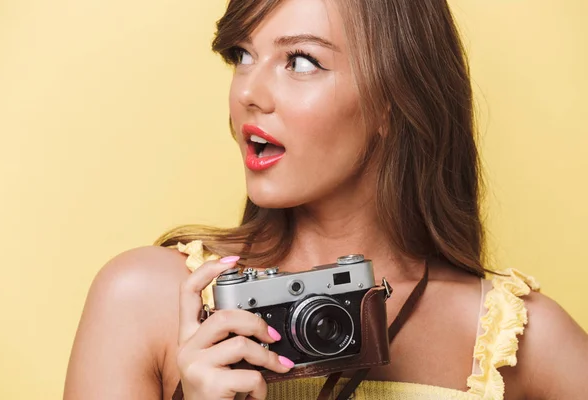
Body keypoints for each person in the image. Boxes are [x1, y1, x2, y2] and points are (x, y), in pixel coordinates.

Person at [63, 0, 588, 399]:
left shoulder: (517, 341)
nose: (249, 91)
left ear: (392, 100)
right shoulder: (145, 300)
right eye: (243, 56)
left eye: (301, 61)